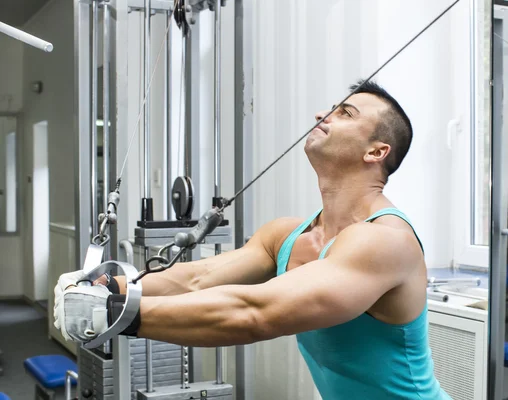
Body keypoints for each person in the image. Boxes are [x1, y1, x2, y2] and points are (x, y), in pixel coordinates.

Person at [54, 80, 452, 400]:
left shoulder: (385, 241)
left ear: (376, 151)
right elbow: (196, 278)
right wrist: (103, 284)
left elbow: (256, 313)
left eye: (344, 112)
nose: (322, 114)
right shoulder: (286, 235)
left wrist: (112, 312)